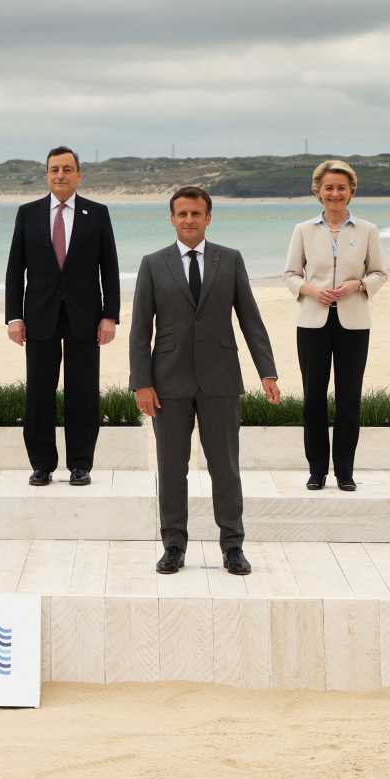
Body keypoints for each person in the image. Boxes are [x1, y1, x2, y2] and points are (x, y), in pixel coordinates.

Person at [128, 185, 280, 577]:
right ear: (172, 218)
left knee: (225, 468)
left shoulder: (229, 261)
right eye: (182, 214)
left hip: (221, 381)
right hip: (167, 384)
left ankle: (233, 547)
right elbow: (140, 328)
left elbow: (250, 318)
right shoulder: (152, 263)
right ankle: (173, 546)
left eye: (196, 214)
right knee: (171, 467)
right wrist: (141, 382)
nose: (189, 220)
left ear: (208, 218)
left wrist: (267, 371)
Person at [4, 146, 120, 487]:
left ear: (79, 174)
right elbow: (15, 269)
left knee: (83, 392)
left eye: (67, 169)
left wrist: (110, 316)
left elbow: (109, 268)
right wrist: (14, 317)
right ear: (47, 175)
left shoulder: (97, 214)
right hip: (39, 316)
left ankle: (80, 464)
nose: (60, 175)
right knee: (38, 393)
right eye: (54, 169)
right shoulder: (29, 214)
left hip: (86, 317)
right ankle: (42, 464)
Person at [282, 159, 388, 491]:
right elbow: (289, 274)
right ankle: (317, 470)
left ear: (351, 191)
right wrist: (311, 291)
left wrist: (357, 286)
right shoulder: (303, 230)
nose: (335, 193)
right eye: (329, 187)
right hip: (312, 322)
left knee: (349, 398)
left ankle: (344, 471)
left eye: (341, 187)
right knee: (313, 398)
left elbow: (379, 273)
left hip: (354, 322)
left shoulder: (367, 230)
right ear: (318, 191)